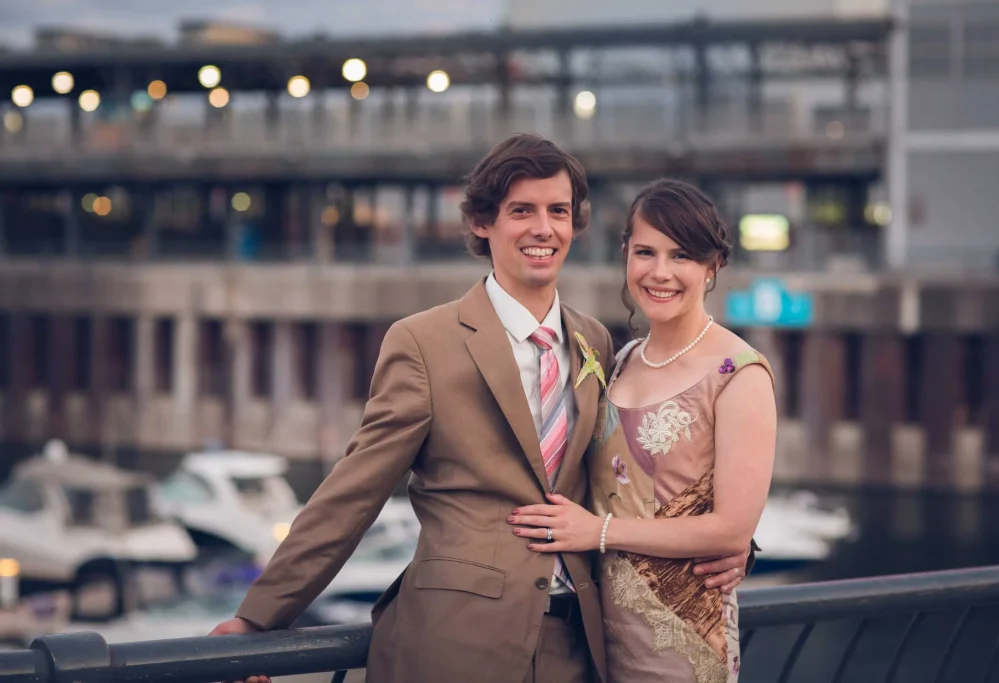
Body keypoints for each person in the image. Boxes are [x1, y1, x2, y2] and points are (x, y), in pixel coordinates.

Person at [209, 137, 750, 683]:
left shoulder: (595, 341)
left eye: (558, 211)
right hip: (455, 643)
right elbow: (352, 493)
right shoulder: (423, 343)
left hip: (576, 647)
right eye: (522, 211)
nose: (544, 228)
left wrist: (732, 545)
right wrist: (259, 617)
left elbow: (628, 480)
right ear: (482, 222)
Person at [508, 178, 777, 682]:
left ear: (712, 266)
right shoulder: (622, 360)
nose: (660, 273)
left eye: (681, 256)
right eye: (645, 252)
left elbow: (732, 527)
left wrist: (598, 532)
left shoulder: (738, 374)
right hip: (597, 635)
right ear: (626, 255)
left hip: (682, 637)